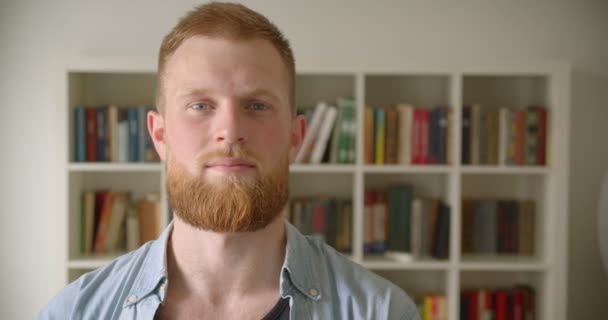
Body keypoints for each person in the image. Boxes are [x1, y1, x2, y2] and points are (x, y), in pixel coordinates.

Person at [39, 2, 420, 319]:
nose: (231, 130)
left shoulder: (382, 311)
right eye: (200, 105)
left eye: (257, 105)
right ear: (159, 135)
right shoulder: (74, 312)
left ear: (295, 137)